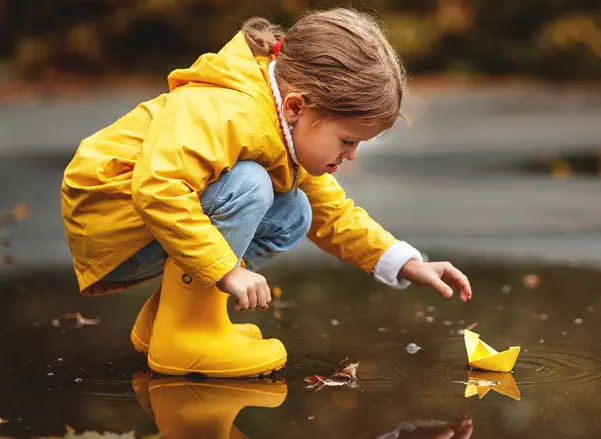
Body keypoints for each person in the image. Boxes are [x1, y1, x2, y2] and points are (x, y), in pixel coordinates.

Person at [60, 8, 472, 378]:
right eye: (347, 141)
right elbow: (159, 187)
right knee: (251, 185)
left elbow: (333, 212)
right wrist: (226, 270)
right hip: (113, 221)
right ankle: (185, 335)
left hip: (145, 218)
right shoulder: (231, 111)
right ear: (296, 108)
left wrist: (403, 261)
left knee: (296, 211)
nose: (350, 156)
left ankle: (169, 322)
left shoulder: (280, 122)